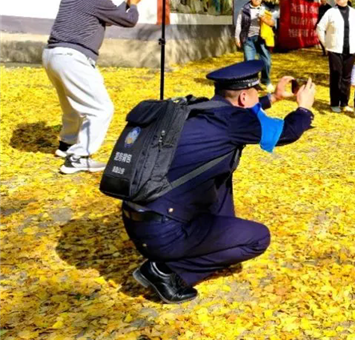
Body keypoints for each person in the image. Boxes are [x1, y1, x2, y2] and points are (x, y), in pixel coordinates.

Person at [124, 61, 316, 304]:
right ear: (244, 97)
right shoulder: (233, 122)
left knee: (221, 177)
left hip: (140, 220)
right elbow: (286, 133)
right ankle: (166, 271)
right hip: (165, 234)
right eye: (255, 91)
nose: (257, 95)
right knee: (258, 239)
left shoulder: (198, 109)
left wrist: (273, 98)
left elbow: (244, 113)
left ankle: (203, 239)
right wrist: (304, 108)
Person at [43, 0, 143, 174]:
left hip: (53, 54)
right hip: (72, 57)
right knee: (100, 109)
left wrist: (127, 2)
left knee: (72, 105)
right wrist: (134, 4)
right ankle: (78, 157)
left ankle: (67, 145)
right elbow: (128, 20)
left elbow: (110, 16)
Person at [316, 0, 355, 113]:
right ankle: (334, 103)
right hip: (334, 50)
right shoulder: (330, 12)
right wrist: (325, 44)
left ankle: (344, 103)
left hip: (351, 50)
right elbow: (320, 28)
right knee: (336, 76)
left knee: (347, 77)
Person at [234, 0, 273, 90]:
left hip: (262, 38)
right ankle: (253, 83)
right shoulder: (244, 9)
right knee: (249, 62)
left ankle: (266, 80)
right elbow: (239, 24)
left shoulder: (265, 9)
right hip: (248, 39)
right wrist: (237, 37)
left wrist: (264, 19)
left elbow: (272, 23)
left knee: (267, 61)